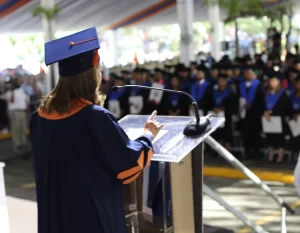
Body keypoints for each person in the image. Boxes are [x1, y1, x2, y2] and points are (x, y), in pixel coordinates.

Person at [30, 27, 163, 233]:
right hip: (89, 220)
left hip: (54, 218)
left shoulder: (39, 117)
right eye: (98, 69)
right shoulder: (95, 117)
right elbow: (129, 166)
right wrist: (147, 135)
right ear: (91, 75)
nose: (100, 75)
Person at [262, 72, 292, 163]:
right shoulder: (266, 93)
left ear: (278, 82)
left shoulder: (283, 94)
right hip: (268, 118)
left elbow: (286, 107)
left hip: (279, 119)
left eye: (274, 81)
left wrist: (274, 112)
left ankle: (280, 156)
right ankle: (271, 155)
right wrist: (265, 112)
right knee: (269, 138)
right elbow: (262, 105)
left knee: (280, 139)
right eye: (271, 81)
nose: (272, 83)